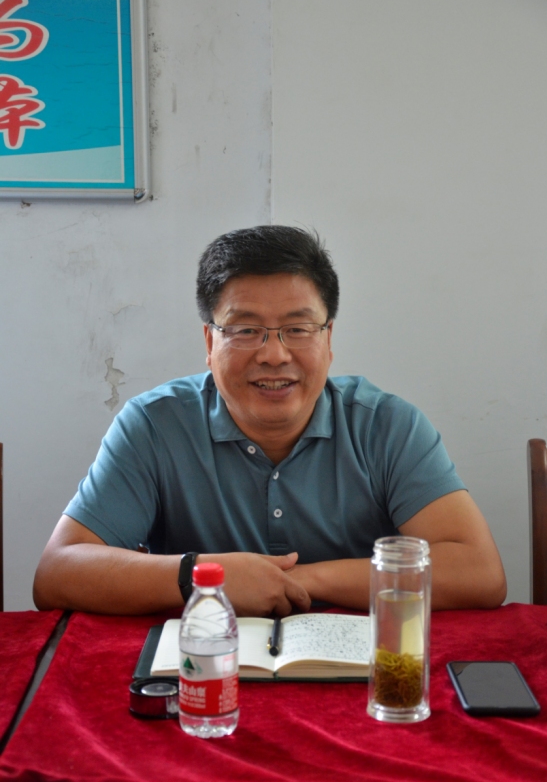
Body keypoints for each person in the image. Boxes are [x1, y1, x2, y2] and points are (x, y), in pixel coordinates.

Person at [33, 226, 506, 616]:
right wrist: (204, 577)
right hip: (203, 666)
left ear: (328, 338)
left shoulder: (386, 425)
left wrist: (298, 580)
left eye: (297, 329)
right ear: (210, 341)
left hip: (354, 667)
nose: (274, 355)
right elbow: (57, 572)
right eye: (246, 330)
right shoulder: (154, 425)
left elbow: (479, 572)